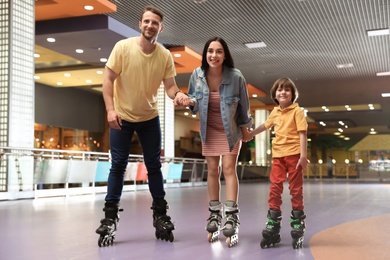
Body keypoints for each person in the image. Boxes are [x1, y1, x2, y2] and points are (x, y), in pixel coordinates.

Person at [95, 5, 190, 246]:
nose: (150, 26)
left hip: (149, 117)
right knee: (118, 165)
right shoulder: (123, 48)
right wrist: (110, 109)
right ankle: (109, 216)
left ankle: (160, 213)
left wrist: (178, 95)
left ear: (161, 27)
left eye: (155, 23)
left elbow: (170, 86)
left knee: (154, 166)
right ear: (140, 24)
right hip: (122, 117)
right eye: (146, 21)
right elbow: (107, 79)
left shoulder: (164, 55)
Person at [186, 37, 253, 247]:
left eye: (219, 51)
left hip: (231, 131)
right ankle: (215, 214)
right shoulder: (197, 75)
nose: (214, 55)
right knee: (213, 170)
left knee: (229, 169)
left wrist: (245, 129)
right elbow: (194, 102)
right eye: (210, 51)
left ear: (225, 55)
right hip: (209, 130)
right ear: (205, 54)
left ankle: (232, 215)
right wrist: (188, 101)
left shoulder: (236, 76)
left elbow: (243, 106)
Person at [249, 78, 309, 249]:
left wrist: (303, 156)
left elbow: (302, 133)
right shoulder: (275, 112)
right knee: (275, 188)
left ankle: (298, 221)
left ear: (293, 94)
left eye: (287, 90)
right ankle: (273, 221)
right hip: (278, 157)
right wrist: (250, 134)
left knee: (295, 189)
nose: (283, 92)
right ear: (275, 94)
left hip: (295, 155)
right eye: (280, 90)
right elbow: (265, 126)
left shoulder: (297, 112)